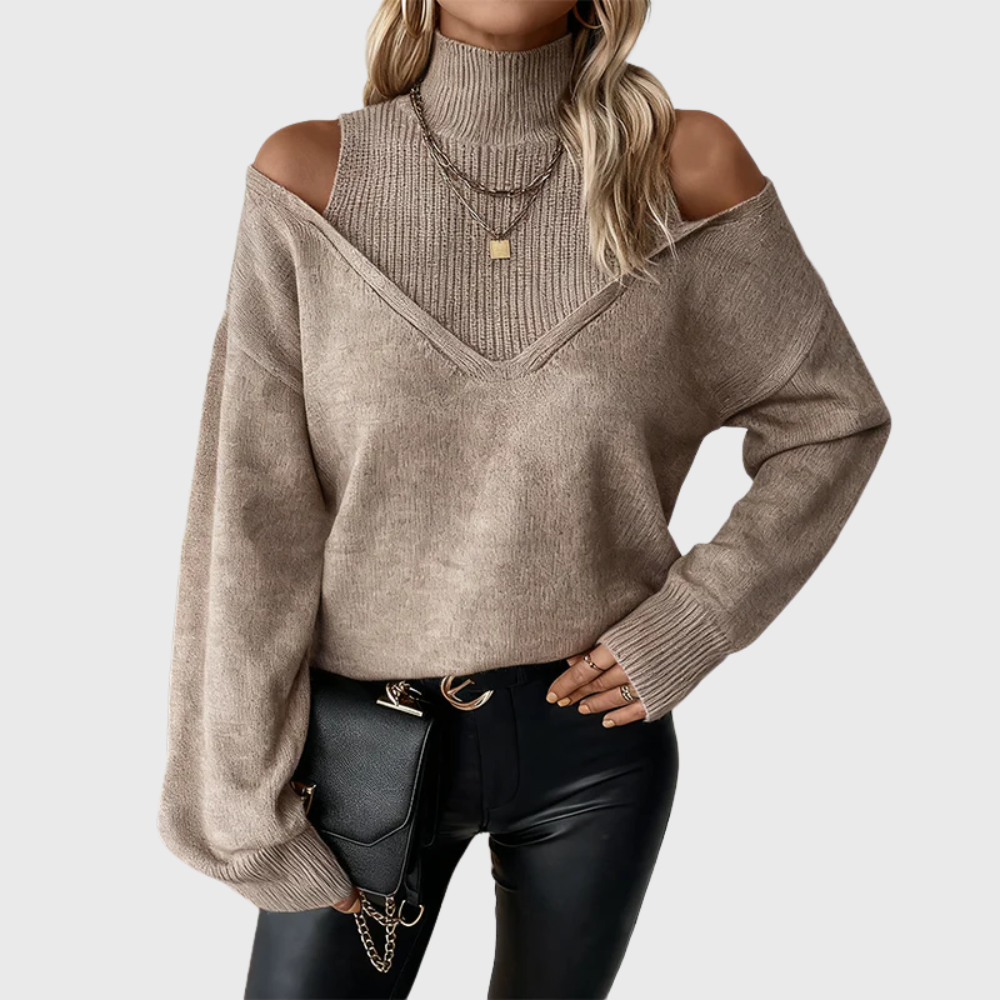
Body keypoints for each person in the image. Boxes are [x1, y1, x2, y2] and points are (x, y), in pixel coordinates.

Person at [156, 1, 893, 997]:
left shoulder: (683, 169)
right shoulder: (311, 180)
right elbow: (253, 519)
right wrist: (241, 802)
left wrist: (698, 618)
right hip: (361, 754)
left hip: (594, 747)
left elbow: (832, 418)